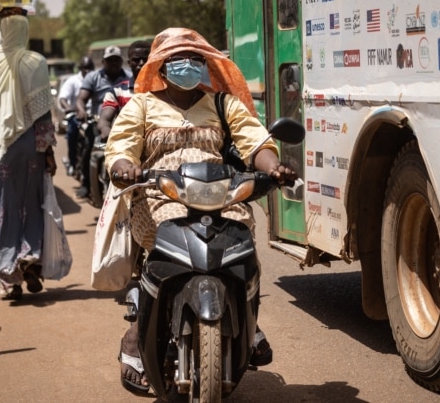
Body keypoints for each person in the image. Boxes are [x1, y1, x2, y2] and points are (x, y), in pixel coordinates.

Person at [104, 27, 298, 394]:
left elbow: (255, 140)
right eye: (178, 60)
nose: (188, 66)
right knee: (161, 248)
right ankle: (137, 336)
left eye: (195, 60)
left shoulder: (223, 103)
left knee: (242, 235)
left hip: (221, 194)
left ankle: (248, 319)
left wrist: (272, 167)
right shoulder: (142, 105)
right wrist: (123, 166)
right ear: (161, 67)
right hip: (161, 195)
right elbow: (121, 148)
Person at [0, 7, 57, 300]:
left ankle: (9, 277)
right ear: (24, 30)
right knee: (31, 204)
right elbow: (43, 114)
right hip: (30, 146)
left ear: (3, 31)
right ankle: (30, 259)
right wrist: (48, 151)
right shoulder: (35, 62)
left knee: (2, 210)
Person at [73, 46, 131, 199]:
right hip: (98, 122)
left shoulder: (130, 78)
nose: (113, 63)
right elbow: (81, 99)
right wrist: (81, 111)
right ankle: (86, 184)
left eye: (116, 60)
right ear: (103, 61)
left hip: (124, 125)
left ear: (122, 61)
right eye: (110, 60)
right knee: (90, 148)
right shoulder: (93, 77)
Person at [97, 40, 151, 141]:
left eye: (146, 59)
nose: (141, 63)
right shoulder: (116, 91)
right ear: (129, 63)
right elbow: (104, 119)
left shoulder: (164, 89)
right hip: (127, 144)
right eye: (136, 60)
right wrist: (106, 130)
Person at [58, 56, 95, 176]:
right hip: (77, 114)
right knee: (72, 132)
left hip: (94, 115)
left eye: (90, 68)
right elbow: (63, 98)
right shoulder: (72, 81)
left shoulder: (97, 79)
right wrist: (68, 107)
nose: (88, 71)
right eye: (85, 68)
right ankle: (72, 163)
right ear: (80, 68)